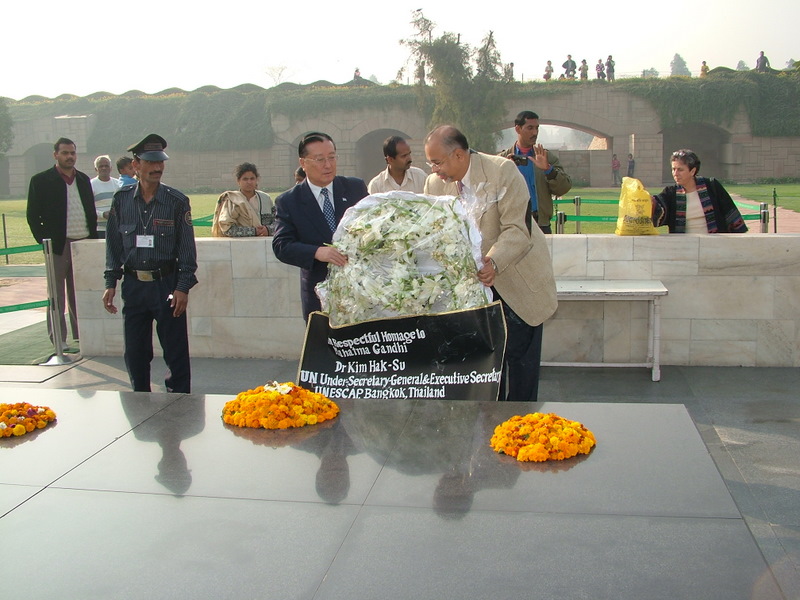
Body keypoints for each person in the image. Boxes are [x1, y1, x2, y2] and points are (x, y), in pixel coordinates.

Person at [423, 125, 557, 402]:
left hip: (516, 281)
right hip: (471, 296)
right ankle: (487, 435)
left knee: (520, 368)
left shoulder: (502, 172)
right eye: (430, 163)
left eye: (437, 162)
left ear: (459, 155)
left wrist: (493, 262)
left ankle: (522, 431)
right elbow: (433, 235)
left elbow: (518, 231)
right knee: (482, 370)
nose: (434, 169)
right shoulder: (433, 185)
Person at [103, 134, 198, 393]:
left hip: (166, 284)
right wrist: (111, 282)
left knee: (175, 351)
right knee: (135, 351)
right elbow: (113, 244)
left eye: (161, 162)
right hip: (134, 286)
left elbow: (187, 250)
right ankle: (139, 400)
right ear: (136, 165)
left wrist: (183, 287)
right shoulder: (121, 200)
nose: (157, 168)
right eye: (150, 162)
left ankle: (179, 403)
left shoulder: (176, 201)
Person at [272, 132, 368, 321]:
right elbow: (281, 246)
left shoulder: (355, 188)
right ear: (303, 162)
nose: (328, 165)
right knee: (323, 347)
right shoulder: (289, 201)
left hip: (361, 292)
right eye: (320, 159)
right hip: (319, 294)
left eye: (332, 157)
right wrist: (317, 252)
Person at [27, 137, 98, 350]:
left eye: (73, 153)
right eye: (65, 153)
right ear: (55, 155)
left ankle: (81, 336)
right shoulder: (41, 181)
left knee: (81, 294)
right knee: (56, 295)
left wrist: (92, 239)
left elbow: (90, 212)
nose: (69, 157)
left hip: (83, 244)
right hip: (57, 246)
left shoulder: (84, 180)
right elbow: (32, 216)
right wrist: (45, 240)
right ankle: (59, 339)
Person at [498, 110, 572, 233]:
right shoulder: (502, 160)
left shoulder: (546, 157)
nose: (535, 133)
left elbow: (564, 188)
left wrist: (548, 170)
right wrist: (505, 170)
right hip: (512, 225)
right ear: (518, 129)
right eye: (530, 128)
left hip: (540, 224)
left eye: (537, 128)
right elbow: (490, 192)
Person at [651, 149, 748, 234]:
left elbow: (731, 215)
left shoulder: (711, 186)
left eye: (680, 170)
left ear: (692, 171)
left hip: (714, 245)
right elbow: (656, 209)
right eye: (673, 169)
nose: (675, 174)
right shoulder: (671, 193)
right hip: (683, 247)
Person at [211, 162, 275, 237]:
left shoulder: (266, 198)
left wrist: (267, 230)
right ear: (238, 181)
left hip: (265, 244)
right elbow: (226, 229)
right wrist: (254, 231)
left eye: (252, 178)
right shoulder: (232, 200)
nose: (249, 182)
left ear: (256, 180)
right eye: (245, 179)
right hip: (240, 244)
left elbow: (278, 222)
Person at [90, 154, 121, 238]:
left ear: (110, 168)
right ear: (96, 169)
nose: (104, 168)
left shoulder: (118, 184)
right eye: (101, 166)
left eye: (106, 166)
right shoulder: (90, 185)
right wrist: (103, 214)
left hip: (116, 228)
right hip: (99, 230)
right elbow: (89, 208)